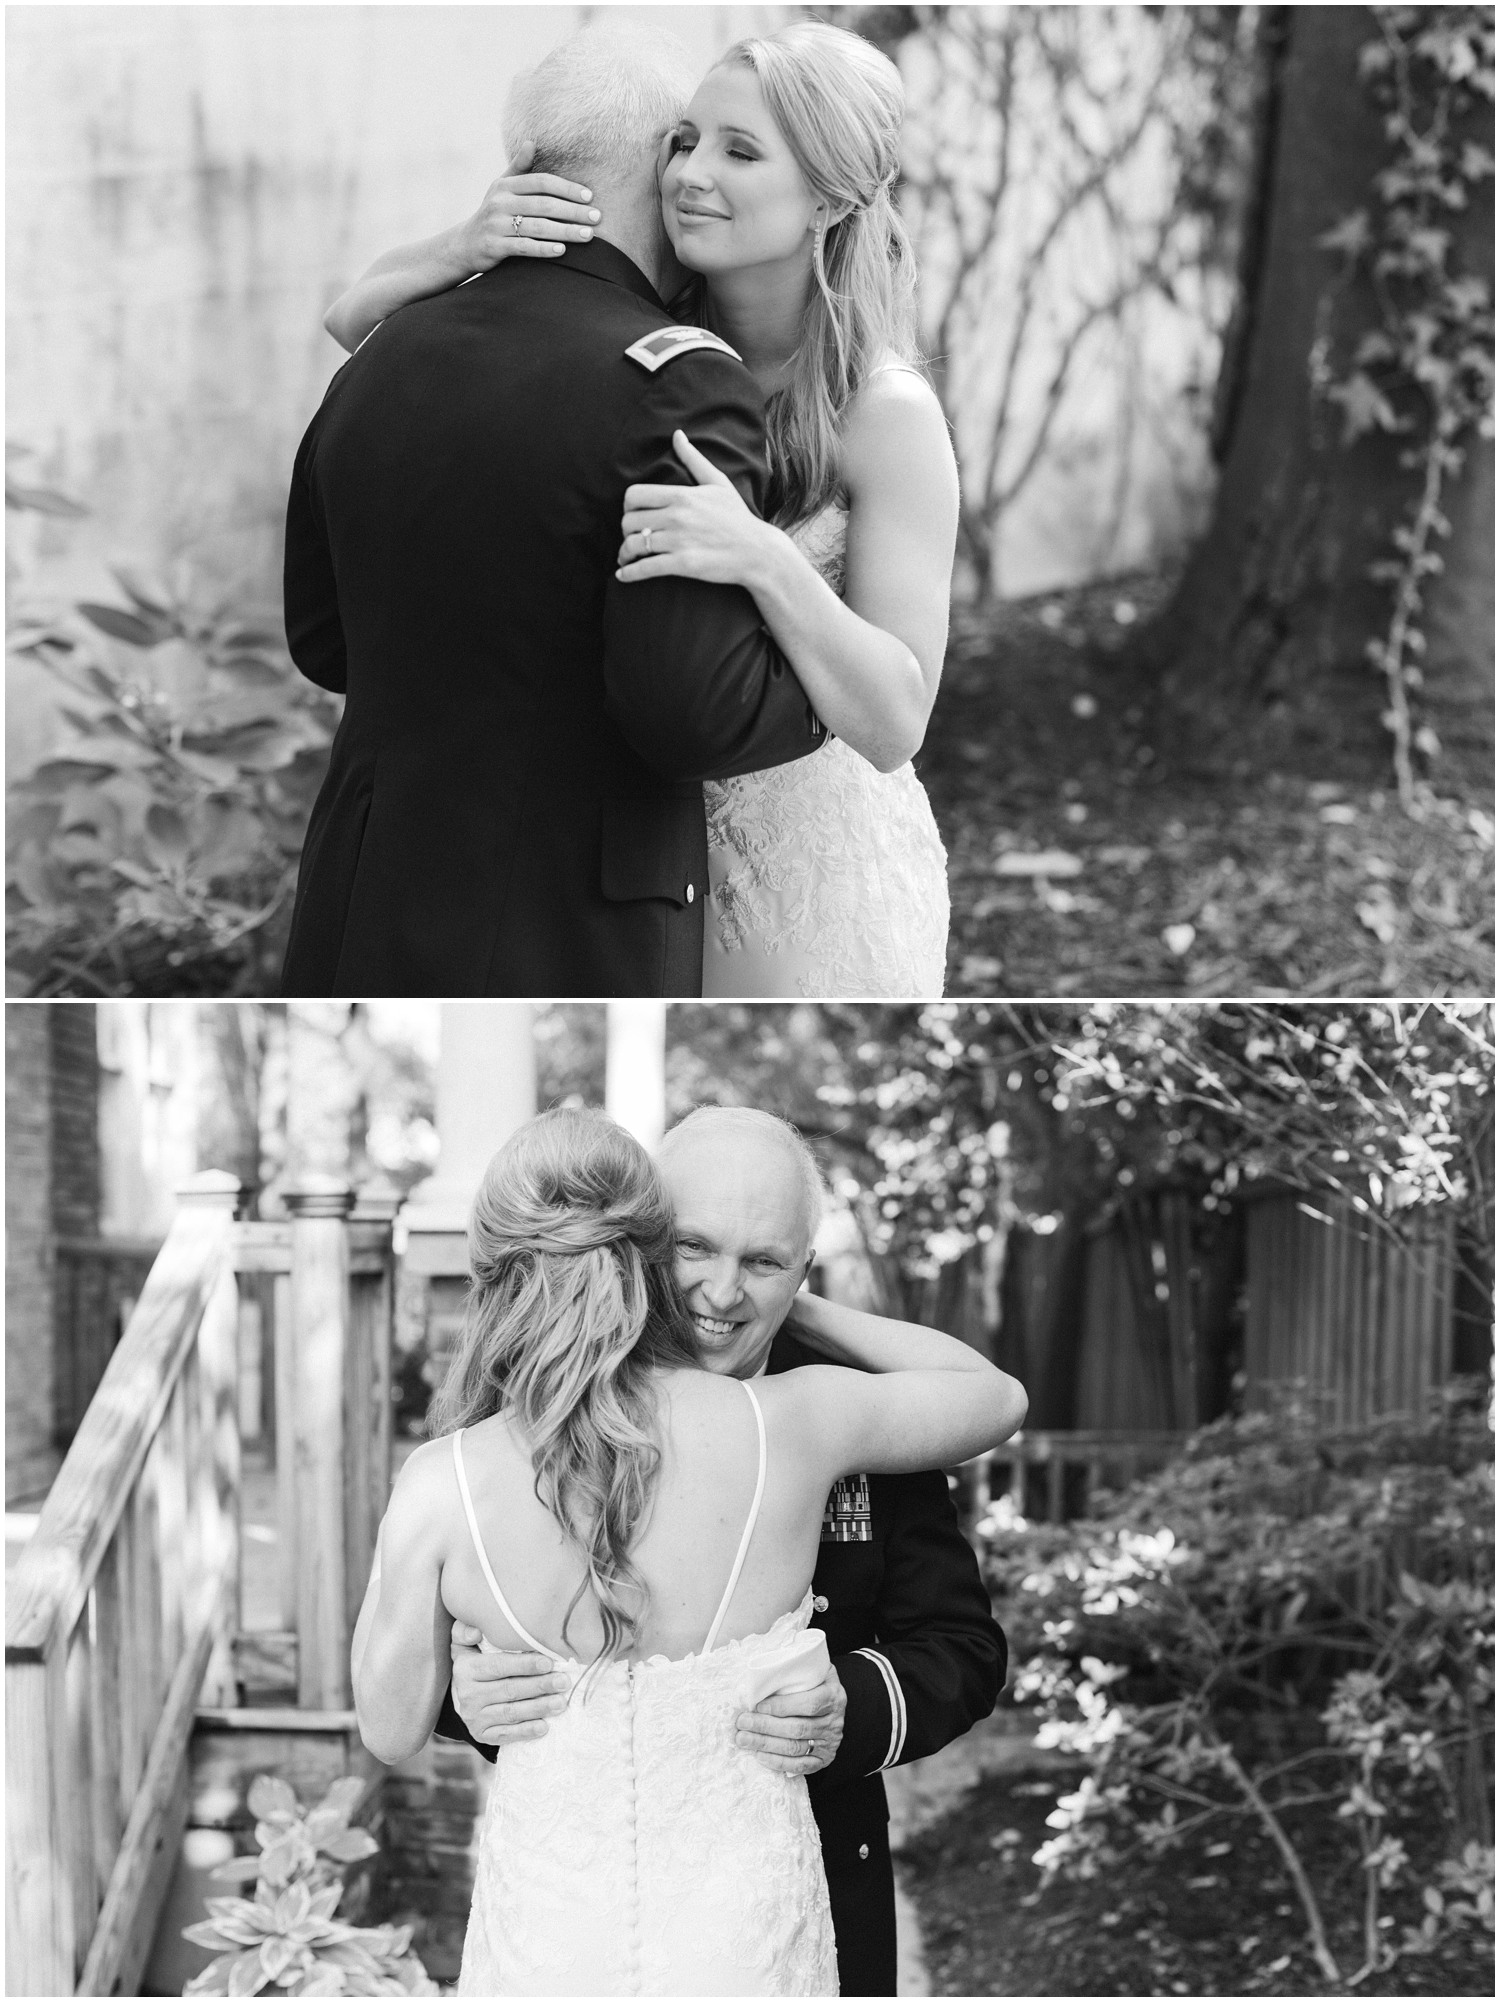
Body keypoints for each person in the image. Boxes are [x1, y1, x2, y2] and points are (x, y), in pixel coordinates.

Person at [323, 21, 960, 999]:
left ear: (830, 198)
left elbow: (896, 720)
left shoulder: (887, 411)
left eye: (740, 153)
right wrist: (461, 246)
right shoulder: (652, 338)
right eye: (685, 140)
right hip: (633, 859)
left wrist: (765, 557)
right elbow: (359, 330)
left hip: (805, 879)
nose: (691, 175)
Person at [352, 1107, 1027, 1997]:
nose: (720, 1294)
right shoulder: (809, 1422)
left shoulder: (452, 1474)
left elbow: (964, 1651)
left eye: (765, 1262)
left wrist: (844, 1709)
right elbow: (994, 1395)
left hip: (754, 1893)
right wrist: (466, 1694)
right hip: (710, 1929)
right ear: (639, 1247)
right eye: (693, 1248)